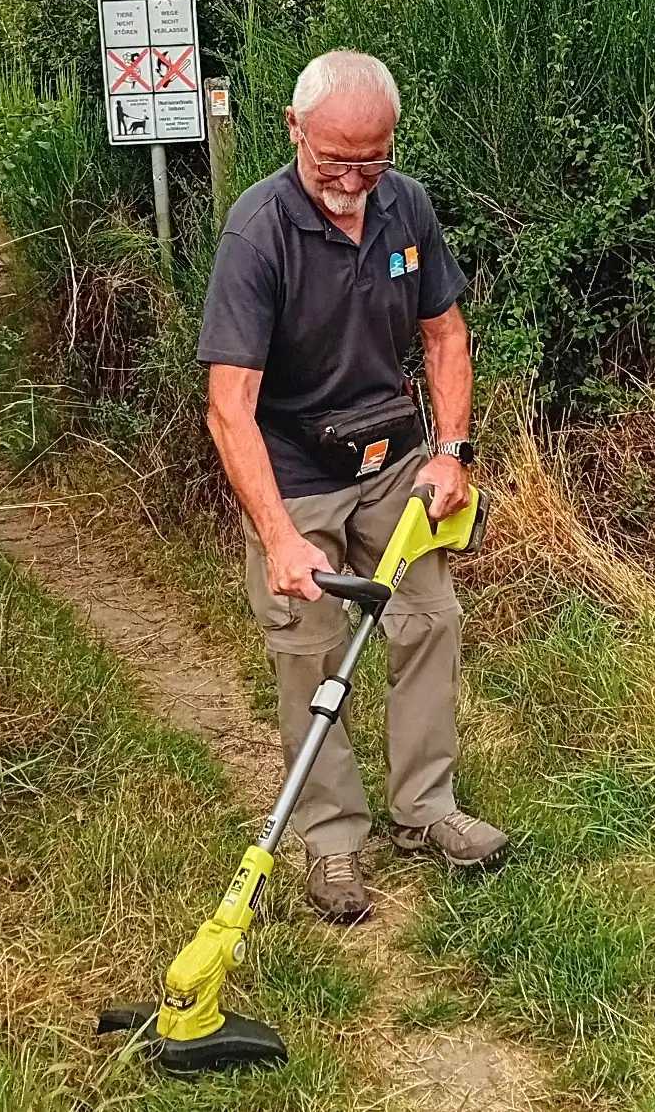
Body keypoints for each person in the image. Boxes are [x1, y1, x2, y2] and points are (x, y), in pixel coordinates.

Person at [197, 49, 507, 921]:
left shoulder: (404, 206)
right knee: (309, 653)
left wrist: (451, 449)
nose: (352, 178)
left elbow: (445, 336)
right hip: (294, 474)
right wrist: (279, 534)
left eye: (371, 158)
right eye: (334, 158)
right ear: (294, 129)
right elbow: (230, 407)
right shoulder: (257, 232)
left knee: (427, 623)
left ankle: (427, 810)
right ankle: (333, 842)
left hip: (394, 460)